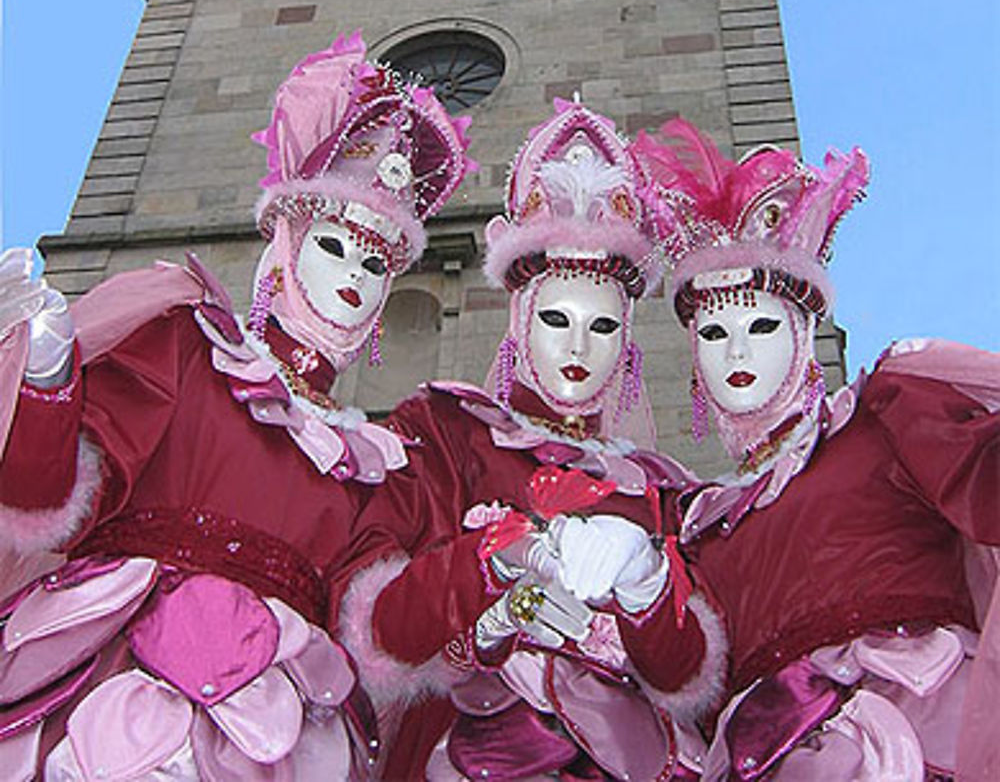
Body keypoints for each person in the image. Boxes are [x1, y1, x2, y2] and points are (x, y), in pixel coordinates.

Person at [0, 31, 473, 780]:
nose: (354, 272)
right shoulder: (184, 347)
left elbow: (378, 624)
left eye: (376, 259)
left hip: (278, 723)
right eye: (332, 243)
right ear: (285, 239)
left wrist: (480, 569)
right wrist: (47, 386)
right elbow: (45, 501)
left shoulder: (378, 465)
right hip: (121, 683)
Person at [339, 99, 725, 781]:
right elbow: (380, 628)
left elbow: (696, 677)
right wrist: (491, 561)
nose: (578, 345)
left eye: (602, 327)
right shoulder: (445, 432)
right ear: (520, 321)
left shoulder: (666, 492)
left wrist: (643, 586)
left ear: (628, 343)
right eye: (556, 318)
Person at [623, 118, 999, 782]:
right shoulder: (700, 522)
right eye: (713, 332)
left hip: (924, 729)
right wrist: (639, 589)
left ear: (803, 331)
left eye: (761, 324)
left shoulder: (886, 417)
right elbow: (686, 681)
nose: (737, 350)